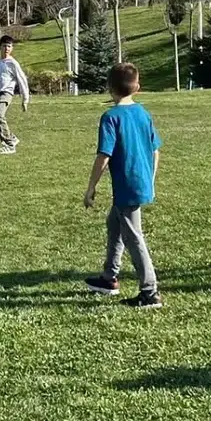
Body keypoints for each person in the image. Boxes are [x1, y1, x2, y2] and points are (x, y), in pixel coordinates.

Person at [83, 62, 163, 309]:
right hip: (141, 182)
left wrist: (91, 186)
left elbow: (103, 156)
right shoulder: (143, 113)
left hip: (127, 186)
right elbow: (156, 149)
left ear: (109, 88)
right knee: (114, 224)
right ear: (137, 87)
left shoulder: (111, 117)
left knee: (134, 237)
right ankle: (109, 278)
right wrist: (150, 177)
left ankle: (150, 292)